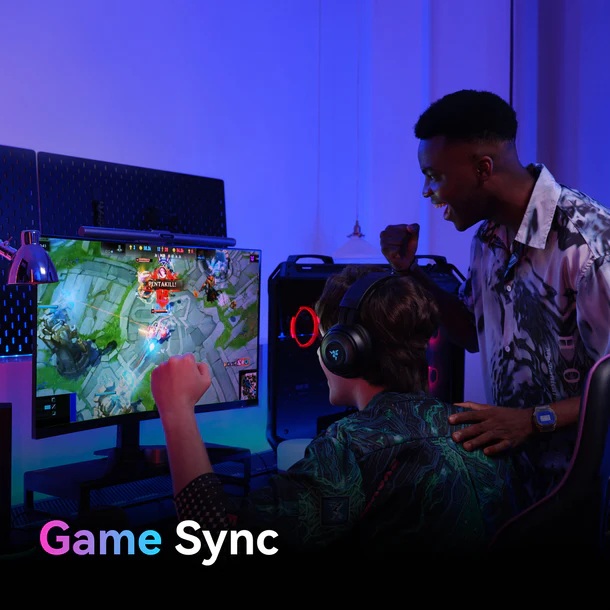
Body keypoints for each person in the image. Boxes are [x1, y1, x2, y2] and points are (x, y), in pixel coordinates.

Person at [151, 264, 529, 565]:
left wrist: (176, 409)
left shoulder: (353, 447)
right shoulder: (481, 429)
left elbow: (212, 538)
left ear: (342, 350)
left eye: (323, 339)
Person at [380, 89, 610, 504]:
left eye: (434, 176)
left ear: (483, 168)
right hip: (520, 487)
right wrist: (410, 272)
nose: (427, 191)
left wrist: (532, 420)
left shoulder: (587, 242)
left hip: (589, 496)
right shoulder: (487, 238)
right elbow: (471, 332)